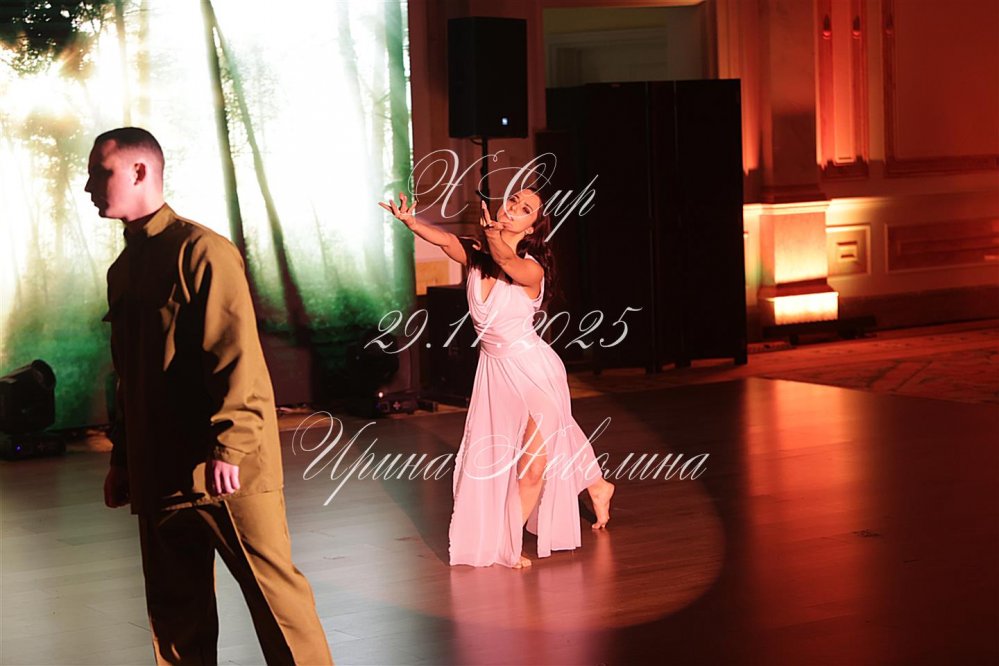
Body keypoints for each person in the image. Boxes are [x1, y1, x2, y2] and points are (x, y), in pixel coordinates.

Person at [88, 127, 333, 665]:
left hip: (226, 469)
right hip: (160, 469)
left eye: (98, 173)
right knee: (176, 618)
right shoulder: (123, 270)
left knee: (278, 604)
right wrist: (124, 460)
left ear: (139, 171)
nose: (88, 187)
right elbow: (129, 377)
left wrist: (231, 446)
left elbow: (235, 354)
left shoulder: (202, 252)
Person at [380, 189, 615, 569]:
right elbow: (444, 240)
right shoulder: (477, 257)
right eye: (513, 201)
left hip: (535, 370)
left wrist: (493, 236)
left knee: (534, 464)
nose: (513, 209)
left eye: (525, 210)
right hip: (495, 371)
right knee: (542, 436)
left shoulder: (531, 269)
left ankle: (508, 541)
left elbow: (505, 259)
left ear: (532, 227)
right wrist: (411, 222)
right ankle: (597, 484)